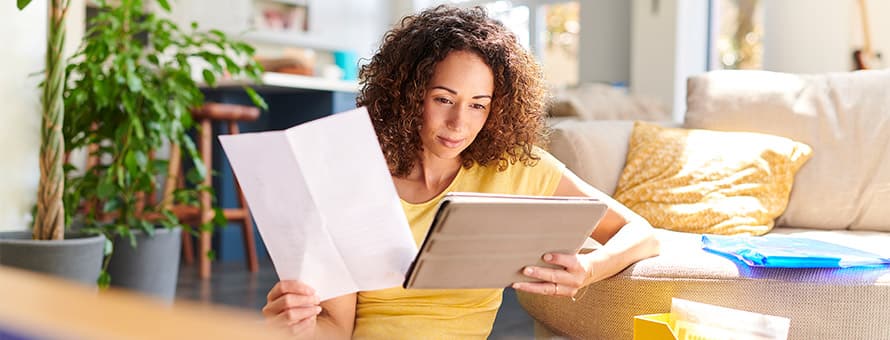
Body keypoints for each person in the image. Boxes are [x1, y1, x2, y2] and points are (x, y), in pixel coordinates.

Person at [262, 5, 660, 339]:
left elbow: (640, 233)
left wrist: (590, 269)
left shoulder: (517, 168)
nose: (458, 124)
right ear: (408, 94)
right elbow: (337, 327)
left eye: (478, 105)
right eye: (443, 99)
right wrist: (297, 324)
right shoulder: (354, 175)